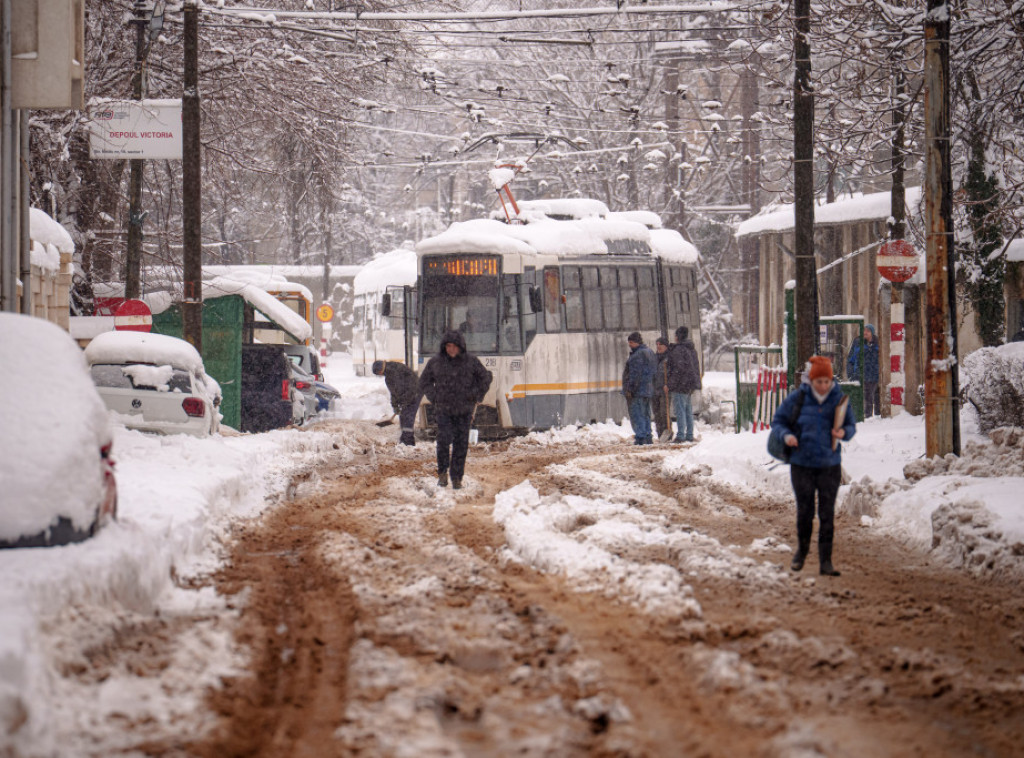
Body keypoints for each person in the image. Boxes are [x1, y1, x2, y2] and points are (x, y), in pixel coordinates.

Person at [771, 356, 857, 577]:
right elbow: (778, 421)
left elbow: (850, 426)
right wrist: (787, 435)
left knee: (827, 513)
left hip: (829, 465)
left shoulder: (838, 399)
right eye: (818, 381)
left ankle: (826, 560)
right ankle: (802, 551)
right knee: (805, 510)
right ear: (811, 380)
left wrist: (843, 433)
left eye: (826, 381)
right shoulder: (798, 398)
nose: (823, 386)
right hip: (802, 464)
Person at [418, 330, 493, 490]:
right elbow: (424, 381)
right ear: (444, 347)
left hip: (464, 410)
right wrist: (434, 397)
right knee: (443, 441)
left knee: (461, 444)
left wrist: (477, 395)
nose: (451, 350)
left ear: (461, 347)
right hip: (443, 409)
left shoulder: (471, 362)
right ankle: (443, 473)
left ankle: (457, 477)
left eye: (454, 346)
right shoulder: (435, 362)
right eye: (448, 346)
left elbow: (486, 377)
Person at [372, 360, 420, 446]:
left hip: (414, 394)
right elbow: (394, 393)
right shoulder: (388, 378)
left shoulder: (396, 370)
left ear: (380, 370)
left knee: (408, 417)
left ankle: (408, 443)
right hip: (405, 396)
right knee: (403, 418)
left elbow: (411, 386)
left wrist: (404, 402)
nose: (379, 375)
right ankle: (405, 440)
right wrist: (395, 406)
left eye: (378, 373)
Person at [666, 325, 701, 442]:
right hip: (689, 385)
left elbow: (677, 370)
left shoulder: (679, 350)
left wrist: (670, 384)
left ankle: (681, 435)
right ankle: (689, 434)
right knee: (687, 410)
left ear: (677, 337)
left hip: (680, 385)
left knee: (680, 410)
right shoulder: (691, 349)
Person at [621, 331, 657, 445]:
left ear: (635, 342)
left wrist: (630, 389)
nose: (629, 345)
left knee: (637, 414)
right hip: (648, 389)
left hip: (638, 391)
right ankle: (647, 435)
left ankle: (641, 437)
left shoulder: (637, 356)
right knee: (646, 413)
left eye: (631, 342)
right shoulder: (650, 352)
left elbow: (635, 375)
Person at [847, 324, 880, 417]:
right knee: (866, 396)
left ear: (872, 333)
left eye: (868, 331)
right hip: (860, 375)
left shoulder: (878, 342)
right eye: (864, 330)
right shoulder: (857, 342)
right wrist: (851, 374)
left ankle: (878, 417)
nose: (865, 332)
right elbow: (850, 360)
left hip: (875, 375)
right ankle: (867, 416)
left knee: (875, 396)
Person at [652, 337, 671, 441]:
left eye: (661, 345)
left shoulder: (669, 358)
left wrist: (668, 384)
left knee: (664, 413)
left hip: (665, 390)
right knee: (657, 413)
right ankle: (660, 433)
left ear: (666, 346)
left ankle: (667, 432)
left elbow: (672, 373)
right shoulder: (654, 358)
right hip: (655, 389)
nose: (658, 347)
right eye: (657, 344)